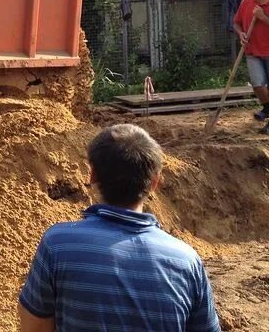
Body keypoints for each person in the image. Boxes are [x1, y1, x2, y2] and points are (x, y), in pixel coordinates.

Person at [18, 124, 220, 332]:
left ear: (92, 175)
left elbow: (34, 327)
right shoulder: (186, 260)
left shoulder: (58, 244)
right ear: (154, 183)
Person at [233, 0, 269, 130]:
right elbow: (236, 23)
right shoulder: (246, 2)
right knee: (257, 84)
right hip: (252, 51)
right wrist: (240, 33)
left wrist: (263, 17)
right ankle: (267, 108)